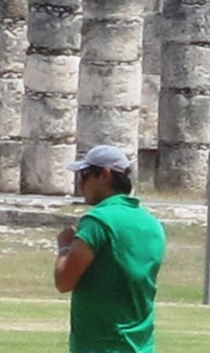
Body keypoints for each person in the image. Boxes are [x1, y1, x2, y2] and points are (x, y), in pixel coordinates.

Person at [54, 144, 166, 353]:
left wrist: (64, 247)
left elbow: (64, 281)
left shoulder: (98, 221)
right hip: (141, 346)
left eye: (85, 175)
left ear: (105, 175)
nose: (80, 183)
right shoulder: (152, 224)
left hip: (100, 346)